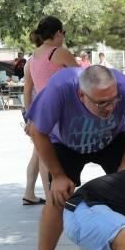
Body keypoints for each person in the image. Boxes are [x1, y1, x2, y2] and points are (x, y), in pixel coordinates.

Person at [18, 65, 125, 250]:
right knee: (57, 200)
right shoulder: (60, 88)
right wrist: (57, 175)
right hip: (66, 143)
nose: (110, 107)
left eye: (113, 100)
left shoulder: (124, 88)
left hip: (112, 140)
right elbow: (38, 131)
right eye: (101, 103)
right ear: (81, 95)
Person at [23, 16, 80, 207]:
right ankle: (58, 195)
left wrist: (29, 116)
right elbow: (83, 78)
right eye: (63, 33)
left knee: (42, 153)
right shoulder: (59, 52)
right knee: (57, 153)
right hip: (61, 110)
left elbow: (28, 89)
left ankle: (48, 196)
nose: (63, 36)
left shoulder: (33, 57)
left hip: (40, 111)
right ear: (57, 33)